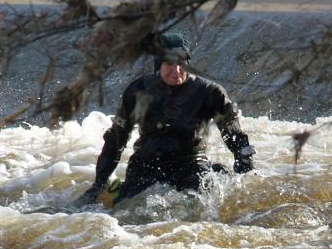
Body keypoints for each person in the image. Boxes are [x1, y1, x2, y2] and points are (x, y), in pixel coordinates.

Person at [77, 32, 255, 206]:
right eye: (169, 63)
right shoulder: (138, 91)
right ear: (158, 64)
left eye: (181, 63)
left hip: (191, 163)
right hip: (147, 164)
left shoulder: (210, 92)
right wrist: (98, 183)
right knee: (126, 208)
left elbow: (234, 133)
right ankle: (116, 188)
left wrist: (244, 162)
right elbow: (116, 139)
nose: (176, 71)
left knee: (203, 197)